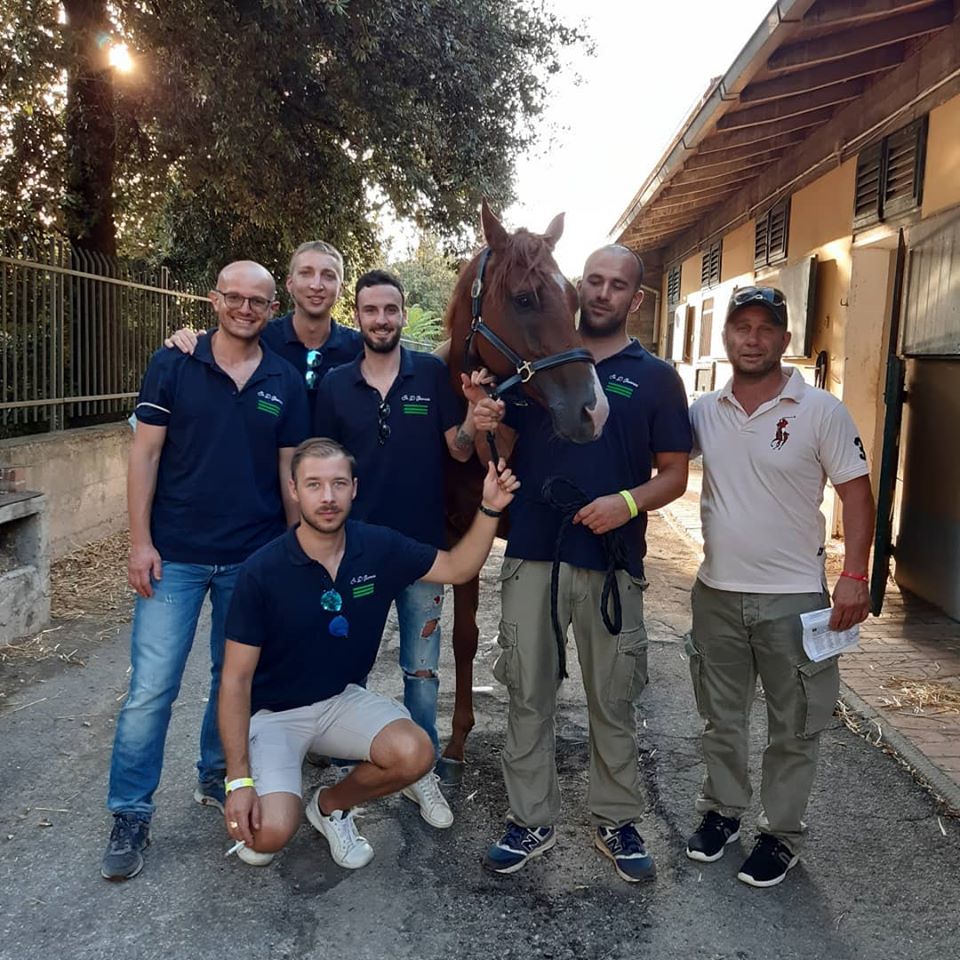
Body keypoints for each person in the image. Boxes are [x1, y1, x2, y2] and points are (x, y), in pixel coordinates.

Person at [471, 245, 692, 882]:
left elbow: (675, 473)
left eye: (616, 285)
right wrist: (487, 417)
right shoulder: (529, 365)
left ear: (636, 300)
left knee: (613, 697)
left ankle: (616, 820)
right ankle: (529, 818)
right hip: (535, 551)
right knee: (527, 692)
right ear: (575, 287)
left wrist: (627, 503)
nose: (601, 293)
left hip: (611, 561)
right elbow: (505, 447)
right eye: (592, 280)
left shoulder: (654, 377)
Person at [100, 261, 310, 882]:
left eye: (258, 301)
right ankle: (130, 812)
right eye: (234, 297)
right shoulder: (174, 363)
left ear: (272, 309)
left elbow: (288, 469)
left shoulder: (285, 379)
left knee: (233, 679)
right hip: (178, 556)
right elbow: (145, 453)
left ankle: (215, 776)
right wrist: (140, 542)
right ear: (216, 300)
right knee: (151, 690)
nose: (245, 309)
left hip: (250, 557)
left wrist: (294, 550)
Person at [218, 437, 520, 869]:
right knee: (267, 839)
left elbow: (457, 568)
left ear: (354, 489)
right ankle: (274, 791)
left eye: (338, 484)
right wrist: (238, 781)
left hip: (339, 699)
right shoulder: (262, 571)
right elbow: (234, 680)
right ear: (293, 490)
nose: (327, 497)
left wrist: (490, 508)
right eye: (314, 485)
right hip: (276, 716)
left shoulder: (377, 547)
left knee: (416, 753)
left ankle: (329, 806)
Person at [684, 285, 874, 888]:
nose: (753, 338)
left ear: (785, 341)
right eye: (742, 326)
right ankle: (722, 813)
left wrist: (855, 576)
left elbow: (857, 495)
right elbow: (655, 460)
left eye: (766, 328)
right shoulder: (704, 411)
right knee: (721, 716)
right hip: (715, 592)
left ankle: (781, 833)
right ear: (726, 337)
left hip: (794, 597)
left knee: (796, 722)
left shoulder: (821, 410)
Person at [314, 269, 489, 829]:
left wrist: (472, 420)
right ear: (357, 316)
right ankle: (349, 770)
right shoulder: (337, 385)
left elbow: (458, 453)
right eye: (371, 310)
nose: (382, 320)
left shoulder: (433, 375)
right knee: (346, 667)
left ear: (403, 313)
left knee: (421, 672)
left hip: (422, 555)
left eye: (391, 310)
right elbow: (322, 470)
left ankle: (422, 773)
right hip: (355, 554)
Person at [166, 240, 362, 408]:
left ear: (341, 289)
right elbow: (215, 348)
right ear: (289, 284)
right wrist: (188, 340)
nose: (316, 285)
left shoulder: (360, 349)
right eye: (306, 273)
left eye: (328, 276)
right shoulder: (258, 336)